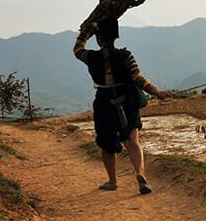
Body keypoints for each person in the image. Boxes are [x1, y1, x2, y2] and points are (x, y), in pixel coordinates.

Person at [73, 17, 170, 194]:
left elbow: (77, 50)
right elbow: (138, 78)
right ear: (115, 37)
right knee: (133, 140)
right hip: (127, 100)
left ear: (99, 39)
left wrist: (85, 33)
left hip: (104, 102)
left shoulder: (92, 57)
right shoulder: (125, 55)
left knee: (106, 144)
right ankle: (140, 173)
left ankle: (112, 181)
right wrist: (157, 92)